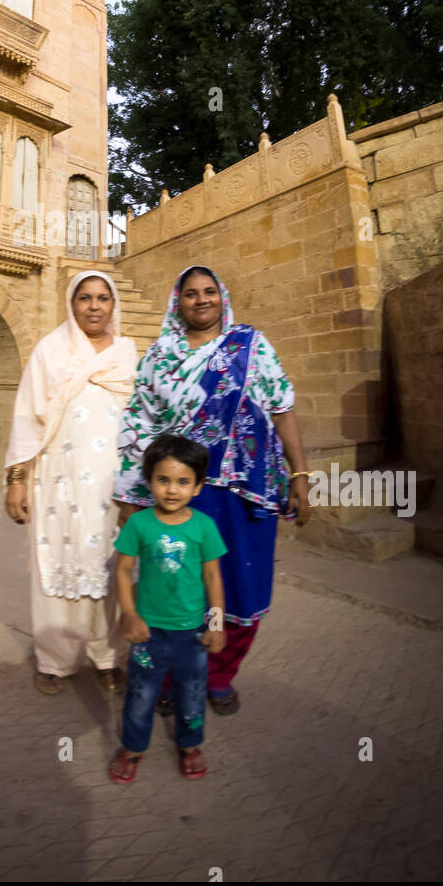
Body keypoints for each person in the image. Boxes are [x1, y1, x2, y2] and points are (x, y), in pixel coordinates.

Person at [114, 266, 312, 714]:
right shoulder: (158, 358)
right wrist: (128, 495)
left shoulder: (251, 346)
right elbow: (137, 425)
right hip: (182, 495)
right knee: (174, 588)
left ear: (221, 297)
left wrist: (300, 476)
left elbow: (282, 411)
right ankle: (171, 674)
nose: (201, 300)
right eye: (190, 294)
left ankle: (220, 675)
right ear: (176, 303)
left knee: (243, 585)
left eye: (209, 292)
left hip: (246, 496)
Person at [4, 270, 137, 695]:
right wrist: (17, 480)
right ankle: (54, 660)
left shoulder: (128, 355)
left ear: (113, 304)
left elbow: (145, 421)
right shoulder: (50, 351)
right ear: (72, 303)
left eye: (102, 298)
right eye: (85, 298)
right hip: (59, 485)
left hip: (113, 490)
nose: (94, 306)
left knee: (112, 570)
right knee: (55, 571)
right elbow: (27, 416)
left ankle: (108, 656)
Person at [109, 434, 227, 783]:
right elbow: (123, 570)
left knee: (191, 694)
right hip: (147, 631)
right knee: (140, 694)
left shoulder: (204, 527)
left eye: (182, 482)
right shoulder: (139, 524)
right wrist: (129, 614)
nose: (172, 490)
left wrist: (216, 623)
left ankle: (189, 745)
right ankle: (133, 747)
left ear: (198, 487)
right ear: (149, 482)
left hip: (192, 633)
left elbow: (213, 577)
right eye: (163, 480)